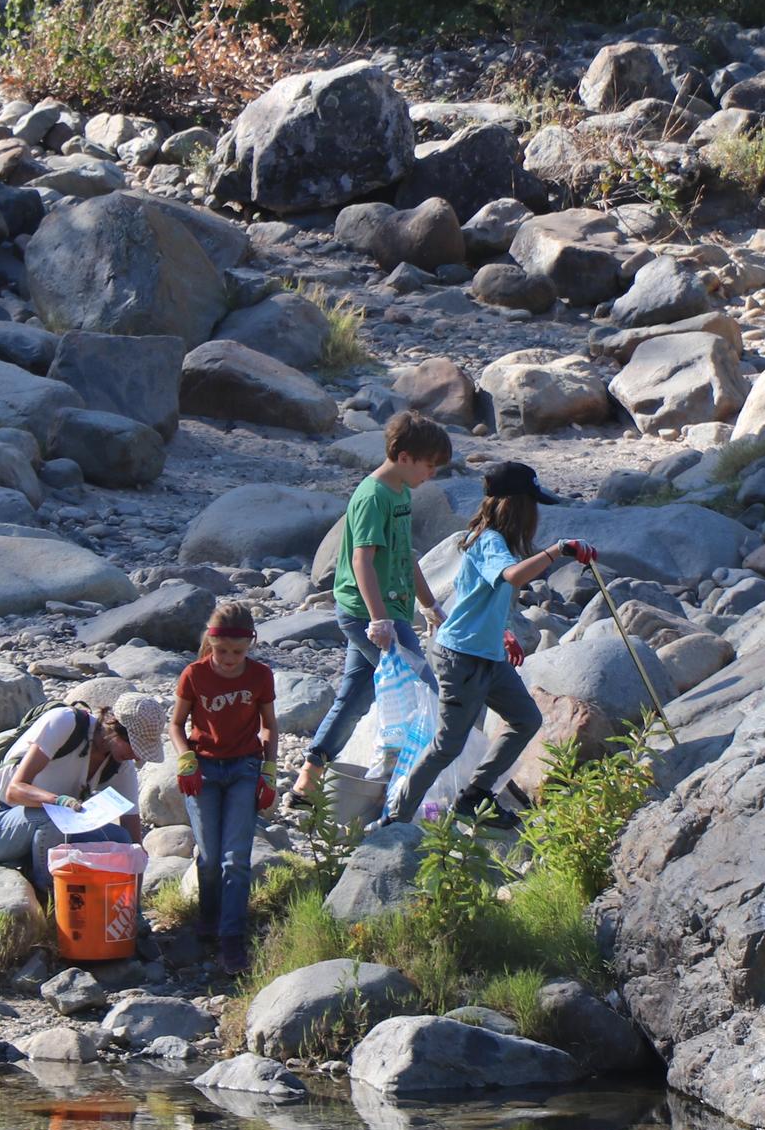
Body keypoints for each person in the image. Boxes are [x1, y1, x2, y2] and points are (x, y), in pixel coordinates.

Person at [382, 461, 595, 829]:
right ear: (517, 505)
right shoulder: (489, 540)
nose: (537, 515)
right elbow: (511, 576)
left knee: (526, 719)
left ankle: (475, 795)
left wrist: (503, 632)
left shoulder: (495, 542)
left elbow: (478, 599)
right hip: (461, 656)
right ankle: (397, 816)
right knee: (448, 745)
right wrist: (558, 549)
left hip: (487, 653)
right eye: (533, 505)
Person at [287, 411, 452, 810]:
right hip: (368, 614)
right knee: (426, 689)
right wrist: (380, 620)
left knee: (355, 697)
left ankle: (307, 781)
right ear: (405, 456)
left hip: (388, 610)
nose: (432, 474)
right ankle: (415, 790)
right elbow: (363, 559)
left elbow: (404, 554)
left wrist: (429, 605)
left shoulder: (401, 494)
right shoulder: (372, 496)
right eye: (429, 465)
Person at [171, 600, 279, 975]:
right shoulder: (194, 674)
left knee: (236, 858)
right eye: (222, 651)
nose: (230, 659)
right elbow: (176, 724)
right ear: (210, 643)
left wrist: (269, 770)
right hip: (204, 770)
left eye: (238, 652)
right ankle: (209, 917)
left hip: (244, 768)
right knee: (211, 856)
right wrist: (185, 758)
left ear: (249, 645)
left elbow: (269, 726)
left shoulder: (261, 675)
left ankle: (232, 937)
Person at [0, 695, 166, 891]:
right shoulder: (65, 722)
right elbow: (15, 791)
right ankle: (51, 898)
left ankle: (125, 912)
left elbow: (133, 840)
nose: (137, 756)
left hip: (51, 830)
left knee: (122, 840)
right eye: (134, 745)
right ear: (113, 727)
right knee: (55, 818)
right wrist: (58, 801)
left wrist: (134, 912)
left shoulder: (121, 764)